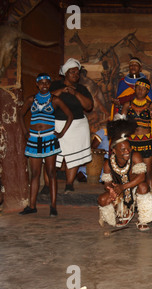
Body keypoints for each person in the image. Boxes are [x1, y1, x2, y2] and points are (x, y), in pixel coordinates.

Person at [19, 73, 73, 216]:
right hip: (34, 139)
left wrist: (61, 133)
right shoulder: (31, 99)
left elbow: (70, 115)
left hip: (49, 138)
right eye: (41, 83)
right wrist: (25, 132)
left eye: (47, 83)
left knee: (51, 173)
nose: (44, 85)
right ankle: (32, 206)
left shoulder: (54, 100)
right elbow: (20, 114)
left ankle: (53, 206)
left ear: (50, 85)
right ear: (37, 84)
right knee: (35, 174)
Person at [97, 119, 152, 231]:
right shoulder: (108, 163)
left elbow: (142, 177)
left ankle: (143, 219)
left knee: (144, 186)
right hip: (120, 192)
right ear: (114, 151)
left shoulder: (135, 156)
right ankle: (123, 213)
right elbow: (107, 183)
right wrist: (110, 189)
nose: (127, 151)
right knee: (102, 199)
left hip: (135, 189)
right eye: (123, 149)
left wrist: (123, 187)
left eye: (128, 148)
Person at [49, 58, 93, 193]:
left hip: (77, 126)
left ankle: (69, 184)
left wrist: (76, 93)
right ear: (65, 73)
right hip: (56, 124)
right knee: (52, 156)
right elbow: (45, 100)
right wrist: (62, 90)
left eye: (77, 72)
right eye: (72, 72)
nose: (76, 75)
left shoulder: (81, 89)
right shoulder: (55, 85)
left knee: (73, 156)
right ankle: (47, 185)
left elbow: (89, 106)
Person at [112, 57, 152, 164]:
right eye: (131, 65)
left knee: (147, 170)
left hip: (145, 129)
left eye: (135, 65)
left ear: (140, 68)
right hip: (130, 122)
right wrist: (119, 102)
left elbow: (148, 99)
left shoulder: (146, 83)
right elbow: (120, 100)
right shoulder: (122, 82)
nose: (133, 67)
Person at [120, 78, 152, 192]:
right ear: (134, 88)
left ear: (147, 91)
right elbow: (120, 125)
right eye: (138, 88)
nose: (140, 91)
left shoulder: (151, 106)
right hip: (131, 142)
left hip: (147, 142)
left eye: (143, 89)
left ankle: (151, 199)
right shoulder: (127, 105)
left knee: (148, 173)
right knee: (131, 173)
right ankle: (131, 198)